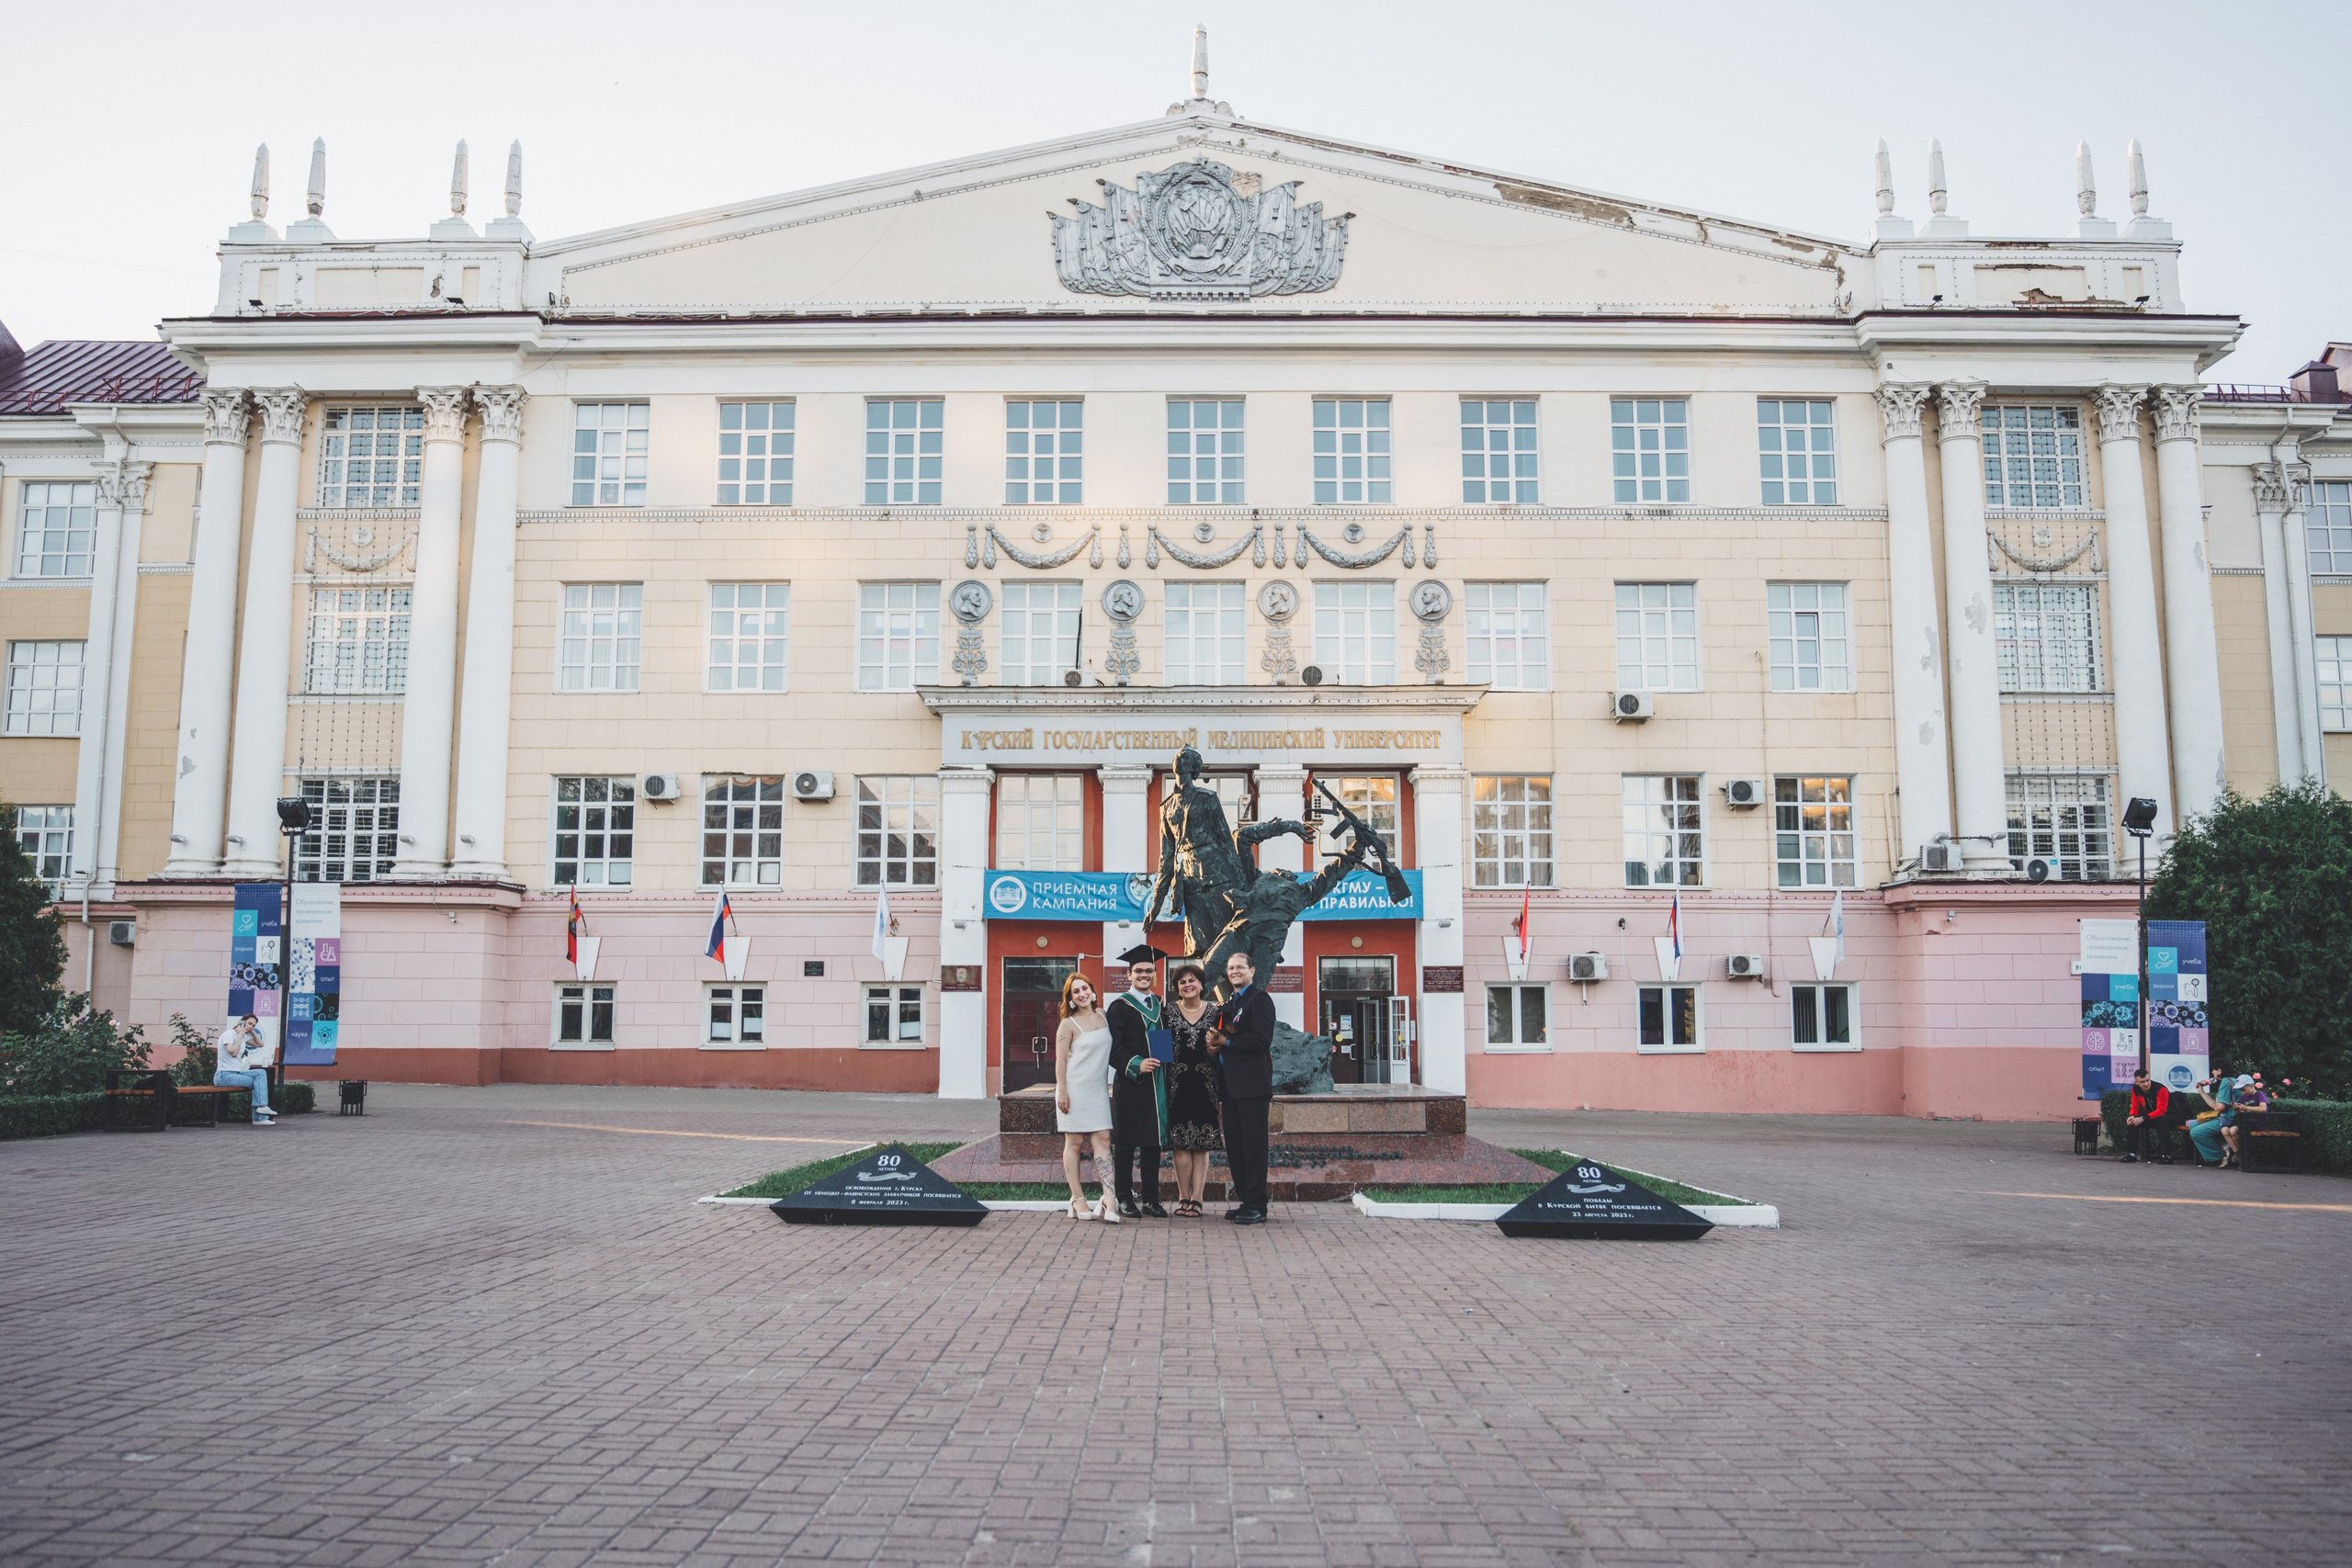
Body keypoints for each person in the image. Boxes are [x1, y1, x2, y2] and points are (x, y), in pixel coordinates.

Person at [1206, 948, 1275, 1224]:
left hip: (1253, 1088)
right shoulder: (1229, 1004)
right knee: (1235, 1147)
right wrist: (1214, 1047)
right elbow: (1223, 1038)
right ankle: (1246, 1200)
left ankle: (1258, 1205)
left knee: (1254, 1147)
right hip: (1231, 1088)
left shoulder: (1260, 1000)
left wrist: (1227, 1043)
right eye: (1231, 968)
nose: (1234, 971)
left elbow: (1261, 1040)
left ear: (1252, 971)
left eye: (1240, 967)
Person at [1106, 943, 1169, 1218]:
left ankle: (1151, 1198)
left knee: (1153, 1143)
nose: (1145, 975)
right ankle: (1123, 1196)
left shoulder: (1158, 1004)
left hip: (1156, 1086)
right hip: (1131, 1085)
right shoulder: (1119, 1006)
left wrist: (1164, 1059)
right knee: (1127, 1143)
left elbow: (1162, 1044)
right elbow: (1113, 1048)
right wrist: (1137, 1063)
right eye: (1139, 971)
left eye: (1149, 971)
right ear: (1129, 974)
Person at [1053, 972, 1118, 1223]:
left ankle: (1108, 1198)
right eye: (1075, 992)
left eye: (1084, 988)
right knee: (1075, 1143)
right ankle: (1077, 1199)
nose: (1081, 994)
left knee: (1103, 1139)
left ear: (1092, 989)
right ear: (1070, 998)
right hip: (1075, 1090)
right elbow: (1060, 1060)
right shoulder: (1068, 1024)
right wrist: (1062, 1090)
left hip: (1098, 1090)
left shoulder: (1103, 1015)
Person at [1162, 962, 1223, 1217]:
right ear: (1177, 987)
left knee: (1201, 1144)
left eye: (1192, 980)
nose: (1188, 985)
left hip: (1206, 1085)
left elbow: (1221, 1046)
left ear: (1201, 985)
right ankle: (1183, 1196)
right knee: (1179, 1145)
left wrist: (1214, 1048)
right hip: (1176, 1085)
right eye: (1182, 982)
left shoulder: (1216, 1012)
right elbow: (1161, 1051)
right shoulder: (1166, 1012)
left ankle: (1197, 1199)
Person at [214, 1013, 277, 1125]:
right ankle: (259, 1117)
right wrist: (240, 1035)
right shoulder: (229, 1034)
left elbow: (260, 1044)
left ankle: (262, 1108)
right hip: (223, 1075)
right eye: (249, 1023)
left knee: (261, 1073)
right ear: (241, 1022)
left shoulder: (244, 1037)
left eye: (254, 1025)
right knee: (256, 1082)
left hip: (237, 1073)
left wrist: (252, 1032)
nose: (251, 1026)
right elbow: (233, 1052)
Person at [2186, 1073, 2237, 1168]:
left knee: (2196, 1132)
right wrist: (2202, 1092)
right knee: (2193, 1125)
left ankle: (2219, 1157)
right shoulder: (2230, 1080)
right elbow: (2216, 1106)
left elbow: (2219, 1107)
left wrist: (2218, 1102)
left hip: (2229, 1119)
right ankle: (2224, 1147)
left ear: (2219, 1071)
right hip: (2224, 1117)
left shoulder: (2226, 1081)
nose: (2212, 1073)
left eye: (2214, 1070)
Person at [2121, 1067, 2170, 1164]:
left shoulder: (2161, 1089)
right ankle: (2131, 1155)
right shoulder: (2135, 1089)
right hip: (2152, 1116)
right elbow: (2135, 1106)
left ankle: (2167, 1156)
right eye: (2142, 1082)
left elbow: (2161, 1111)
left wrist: (2143, 1118)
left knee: (2161, 1121)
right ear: (2137, 1082)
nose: (2146, 1084)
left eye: (2148, 1080)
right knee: (2132, 1122)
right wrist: (2132, 1116)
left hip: (2170, 1114)